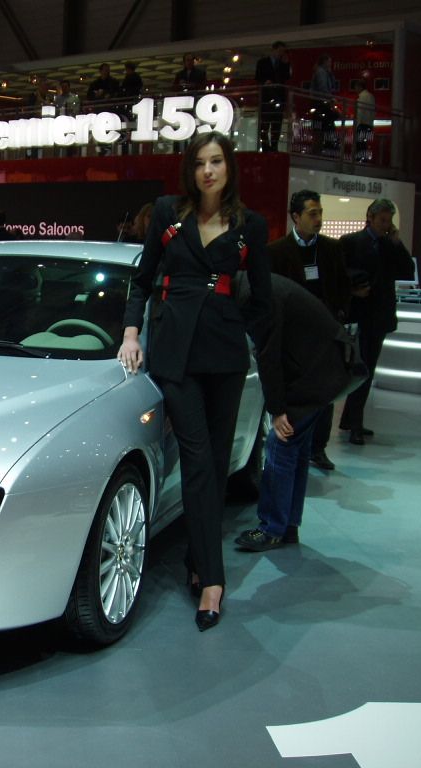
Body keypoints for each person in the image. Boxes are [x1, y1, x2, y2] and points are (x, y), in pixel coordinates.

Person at [119, 131, 271, 632]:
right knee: (200, 461)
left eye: (217, 162)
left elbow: (264, 303)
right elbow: (142, 281)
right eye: (201, 163)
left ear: (229, 169)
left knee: (216, 466)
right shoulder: (168, 213)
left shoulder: (251, 226)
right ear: (191, 170)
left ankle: (196, 563)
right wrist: (131, 333)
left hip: (225, 357)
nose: (209, 171)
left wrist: (250, 342)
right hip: (175, 356)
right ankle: (213, 579)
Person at [234, 274, 360, 551]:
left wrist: (278, 411)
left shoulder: (253, 296)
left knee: (281, 446)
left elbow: (268, 354)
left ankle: (271, 528)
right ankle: (287, 525)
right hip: (322, 369)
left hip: (314, 375)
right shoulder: (258, 285)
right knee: (295, 450)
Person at [267, 189, 352, 471]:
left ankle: (319, 447)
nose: (318, 219)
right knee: (294, 391)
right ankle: (292, 441)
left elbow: (342, 287)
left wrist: (337, 317)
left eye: (320, 213)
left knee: (325, 392)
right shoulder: (276, 251)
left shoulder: (331, 249)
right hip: (291, 336)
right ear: (296, 217)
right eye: (312, 214)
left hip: (324, 332)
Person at [337, 199, 416, 444]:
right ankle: (354, 423)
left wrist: (397, 242)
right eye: (382, 220)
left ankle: (352, 420)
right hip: (358, 314)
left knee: (368, 368)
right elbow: (338, 274)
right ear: (370, 217)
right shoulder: (350, 242)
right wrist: (352, 291)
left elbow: (407, 272)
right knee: (359, 368)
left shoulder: (390, 245)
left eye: (388, 220)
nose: (385, 225)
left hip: (379, 316)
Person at [255, 41, 291, 152]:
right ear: (274, 50)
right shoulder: (263, 62)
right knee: (265, 124)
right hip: (266, 97)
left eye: (282, 51)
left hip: (278, 97)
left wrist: (286, 64)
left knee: (276, 124)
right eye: (280, 51)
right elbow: (258, 77)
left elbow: (287, 77)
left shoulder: (282, 63)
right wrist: (265, 82)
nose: (281, 53)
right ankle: (266, 147)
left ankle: (274, 146)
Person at [310, 55, 338, 156]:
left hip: (320, 104)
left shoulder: (323, 72)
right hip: (321, 104)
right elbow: (323, 88)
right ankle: (320, 151)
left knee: (320, 128)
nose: (331, 64)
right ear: (325, 62)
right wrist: (330, 98)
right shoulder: (321, 72)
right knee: (323, 128)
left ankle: (319, 150)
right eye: (329, 61)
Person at [352, 81, 375, 161]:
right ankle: (365, 160)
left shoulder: (361, 98)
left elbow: (360, 113)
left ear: (360, 87)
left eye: (356, 87)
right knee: (365, 144)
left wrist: (356, 125)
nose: (355, 89)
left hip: (362, 124)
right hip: (369, 124)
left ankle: (359, 161)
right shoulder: (371, 96)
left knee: (360, 145)